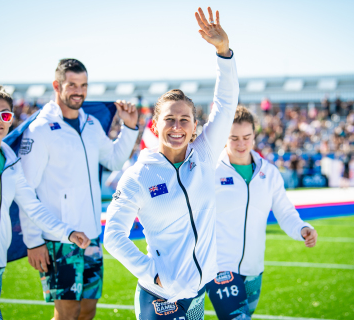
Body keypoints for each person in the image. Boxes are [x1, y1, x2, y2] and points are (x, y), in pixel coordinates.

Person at [104, 7, 238, 319]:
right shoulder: (138, 176)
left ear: (195, 127)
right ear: (155, 125)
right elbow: (112, 235)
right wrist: (152, 273)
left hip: (196, 294)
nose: (177, 126)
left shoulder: (204, 155)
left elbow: (227, 103)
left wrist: (223, 52)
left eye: (184, 120)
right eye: (170, 119)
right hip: (159, 298)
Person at [0, 83, 90, 320]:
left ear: (11, 119)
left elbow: (33, 208)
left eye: (4, 115)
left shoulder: (10, 161)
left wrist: (67, 232)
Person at [18, 59, 139, 320]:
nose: (79, 91)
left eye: (83, 85)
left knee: (87, 311)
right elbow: (25, 191)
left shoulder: (91, 124)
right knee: (66, 314)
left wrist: (129, 127)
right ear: (57, 85)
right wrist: (34, 241)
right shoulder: (39, 130)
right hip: (58, 239)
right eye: (72, 85)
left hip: (92, 235)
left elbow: (114, 161)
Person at [206, 106, 318, 318]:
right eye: (234, 138)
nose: (241, 144)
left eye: (247, 137)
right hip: (220, 267)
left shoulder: (270, 172)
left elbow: (285, 211)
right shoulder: (210, 172)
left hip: (254, 267)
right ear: (224, 138)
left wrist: (302, 228)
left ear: (255, 136)